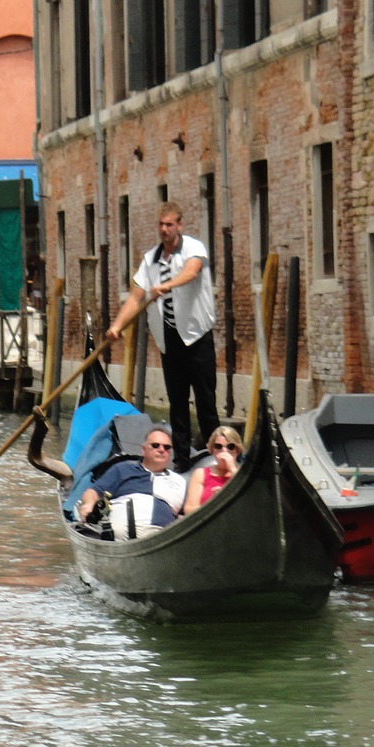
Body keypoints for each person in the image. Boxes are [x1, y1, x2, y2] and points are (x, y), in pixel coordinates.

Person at [107, 201, 219, 470]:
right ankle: (181, 460)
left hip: (196, 337)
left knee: (206, 400)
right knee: (177, 403)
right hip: (170, 341)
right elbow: (137, 296)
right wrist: (117, 325)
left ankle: (217, 455)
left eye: (169, 224)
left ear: (179, 225)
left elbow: (192, 272)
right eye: (161, 224)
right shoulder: (150, 260)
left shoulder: (194, 248)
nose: (164, 229)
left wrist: (166, 285)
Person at [75, 426, 187, 540]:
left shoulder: (179, 481)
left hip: (164, 540)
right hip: (118, 541)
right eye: (155, 445)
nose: (161, 449)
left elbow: (188, 513)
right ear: (143, 450)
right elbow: (93, 492)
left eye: (167, 447)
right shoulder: (122, 469)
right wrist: (88, 504)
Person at [182, 425, 243, 514]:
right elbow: (188, 509)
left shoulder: (244, 474)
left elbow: (251, 502)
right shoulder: (200, 474)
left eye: (230, 446)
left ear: (237, 450)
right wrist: (212, 503)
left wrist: (232, 469)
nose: (224, 450)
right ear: (212, 449)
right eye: (218, 446)